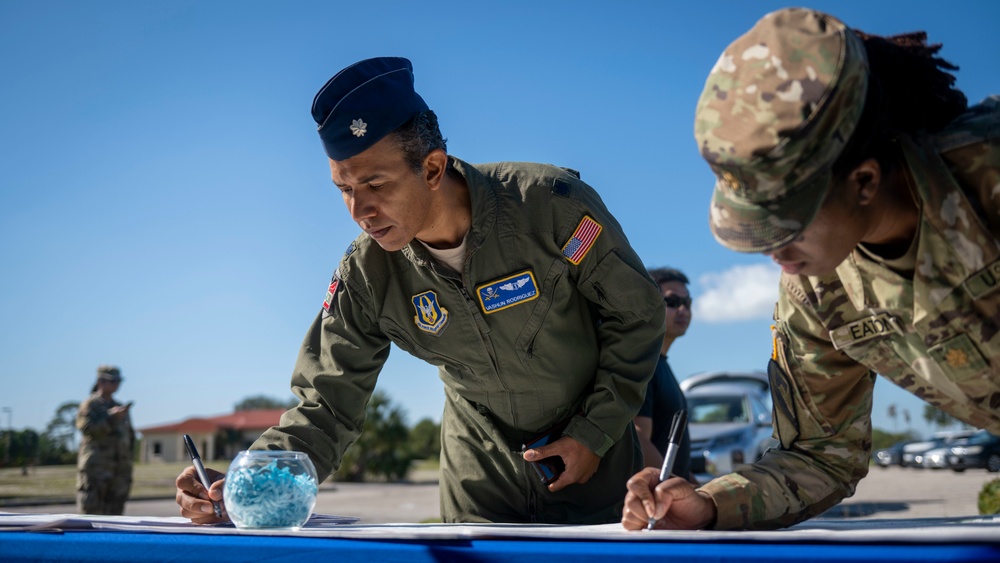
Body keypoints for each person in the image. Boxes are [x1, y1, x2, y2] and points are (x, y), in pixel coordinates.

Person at [176, 57, 666, 524]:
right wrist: (252, 479)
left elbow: (637, 316)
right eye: (344, 189)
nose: (358, 210)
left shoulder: (549, 208)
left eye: (375, 184)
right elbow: (326, 403)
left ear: (432, 169)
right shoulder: (366, 275)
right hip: (480, 481)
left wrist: (594, 432)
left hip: (595, 470)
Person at [623, 7, 1000, 531]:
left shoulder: (988, 178)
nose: (773, 253)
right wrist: (708, 505)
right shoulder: (816, 287)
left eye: (789, 223)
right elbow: (819, 454)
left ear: (864, 182)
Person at [634, 267, 692, 478]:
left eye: (687, 303)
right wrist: (673, 486)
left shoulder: (662, 365)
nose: (683, 310)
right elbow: (638, 437)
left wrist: (696, 487)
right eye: (673, 302)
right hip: (656, 501)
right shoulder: (643, 363)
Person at [76, 365, 135, 515]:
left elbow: (129, 436)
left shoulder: (119, 407)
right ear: (100, 381)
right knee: (91, 515)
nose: (116, 384)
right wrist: (111, 418)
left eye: (118, 381)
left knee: (115, 518)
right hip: (97, 469)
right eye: (112, 381)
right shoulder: (91, 404)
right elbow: (86, 428)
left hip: (119, 470)